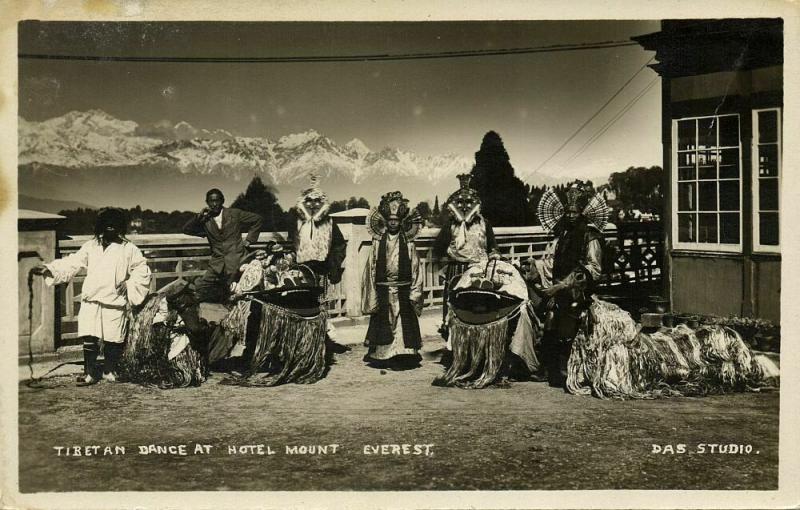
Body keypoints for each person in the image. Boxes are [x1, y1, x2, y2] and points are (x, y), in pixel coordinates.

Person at [32, 208, 152, 385]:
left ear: (120, 226)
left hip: (114, 300)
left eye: (114, 224)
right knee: (89, 337)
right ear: (101, 226)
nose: (110, 227)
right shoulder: (91, 246)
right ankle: (89, 373)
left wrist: (129, 284)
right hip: (91, 299)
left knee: (113, 338)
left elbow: (142, 269)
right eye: (107, 223)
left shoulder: (129, 249)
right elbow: (73, 262)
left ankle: (109, 370)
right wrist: (50, 269)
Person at [527, 183, 606, 388]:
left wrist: (563, 285)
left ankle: (569, 369)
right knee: (551, 320)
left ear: (582, 212)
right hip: (560, 290)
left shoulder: (590, 236)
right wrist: (536, 266)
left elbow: (593, 268)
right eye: (567, 211)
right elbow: (554, 262)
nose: (570, 215)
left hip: (579, 293)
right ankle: (549, 368)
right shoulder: (563, 234)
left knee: (566, 324)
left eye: (574, 211)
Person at [432, 173, 500, 340]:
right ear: (455, 204)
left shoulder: (484, 223)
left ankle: (478, 342)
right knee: (455, 308)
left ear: (476, 204)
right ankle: (454, 344)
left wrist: (494, 255)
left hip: (478, 272)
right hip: (456, 270)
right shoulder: (450, 225)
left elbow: (492, 245)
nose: (464, 206)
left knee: (477, 309)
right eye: (460, 203)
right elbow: (438, 249)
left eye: (469, 202)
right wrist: (442, 266)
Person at [361, 191, 424, 369]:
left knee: (404, 319)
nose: (394, 223)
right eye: (390, 220)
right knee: (384, 319)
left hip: (403, 287)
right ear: (385, 221)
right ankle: (384, 353)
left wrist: (415, 291)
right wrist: (372, 290)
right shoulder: (377, 242)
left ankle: (404, 353)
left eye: (397, 220)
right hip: (383, 287)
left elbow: (416, 268)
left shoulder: (409, 243)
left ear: (402, 221)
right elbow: (371, 267)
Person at [182, 188, 263, 303]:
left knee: (235, 292)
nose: (214, 204)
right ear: (207, 203)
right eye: (211, 201)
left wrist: (249, 240)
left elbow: (257, 219)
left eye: (217, 200)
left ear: (222, 201)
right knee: (200, 287)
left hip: (237, 259)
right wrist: (199, 216)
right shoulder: (206, 219)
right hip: (216, 263)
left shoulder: (235, 213)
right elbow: (186, 229)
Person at [286, 175, 347, 291]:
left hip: (322, 269)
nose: (313, 204)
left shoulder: (329, 222)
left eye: (317, 201)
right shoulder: (296, 222)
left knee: (320, 302)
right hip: (300, 269)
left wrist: (334, 265)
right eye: (309, 201)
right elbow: (291, 243)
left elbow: (339, 245)